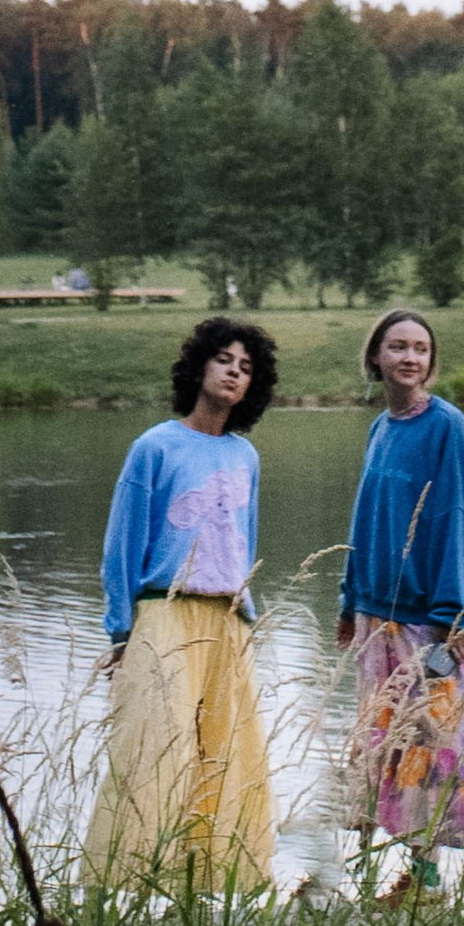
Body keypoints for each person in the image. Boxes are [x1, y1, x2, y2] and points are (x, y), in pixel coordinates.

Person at [81, 314, 279, 892]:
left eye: (245, 369)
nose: (233, 374)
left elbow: (247, 539)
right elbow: (122, 545)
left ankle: (213, 890)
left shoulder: (246, 457)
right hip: (162, 616)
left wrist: (247, 613)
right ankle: (123, 889)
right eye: (225, 361)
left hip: (226, 620)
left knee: (227, 754)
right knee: (153, 752)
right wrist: (121, 630)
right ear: (199, 367)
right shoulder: (154, 448)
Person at [337, 306, 464, 909]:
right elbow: (364, 522)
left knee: (444, 744)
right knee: (395, 750)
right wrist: (349, 601)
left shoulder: (447, 427)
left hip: (432, 627)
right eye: (398, 346)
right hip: (377, 624)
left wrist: (456, 613)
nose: (410, 358)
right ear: (376, 357)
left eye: (421, 349)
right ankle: (424, 881)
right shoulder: (382, 428)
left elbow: (461, 516)